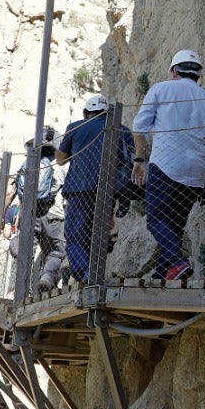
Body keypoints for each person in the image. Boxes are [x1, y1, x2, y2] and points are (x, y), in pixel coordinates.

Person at [131, 49, 205, 281]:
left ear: (175, 70)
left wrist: (140, 159)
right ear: (198, 74)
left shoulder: (161, 89)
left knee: (155, 220)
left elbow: (140, 127)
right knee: (174, 226)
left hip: (165, 166)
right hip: (196, 172)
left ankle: (180, 262)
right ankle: (162, 274)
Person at [55, 95, 134, 281]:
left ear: (86, 112)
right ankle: (95, 270)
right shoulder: (121, 130)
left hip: (79, 190)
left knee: (75, 235)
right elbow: (129, 160)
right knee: (98, 235)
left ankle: (85, 273)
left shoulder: (75, 127)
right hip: (108, 190)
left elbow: (60, 159)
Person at [3, 127, 65, 294]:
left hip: (29, 213)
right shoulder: (59, 164)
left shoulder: (27, 164)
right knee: (56, 251)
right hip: (54, 214)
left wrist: (3, 216)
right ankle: (47, 277)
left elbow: (10, 192)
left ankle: (21, 289)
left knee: (27, 247)